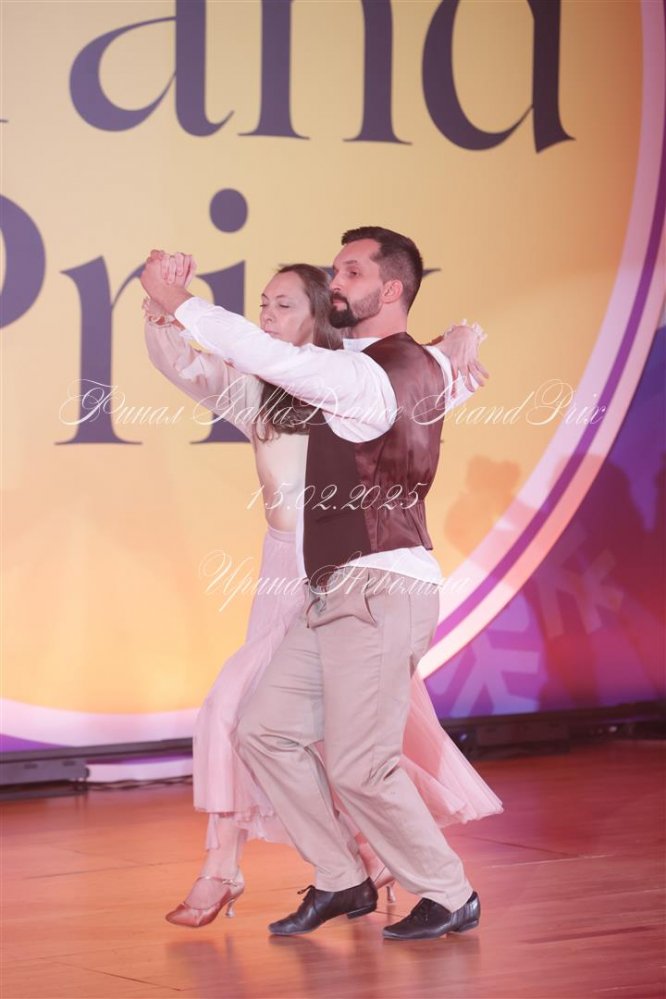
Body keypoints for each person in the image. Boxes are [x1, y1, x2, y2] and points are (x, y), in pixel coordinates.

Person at [141, 234, 498, 941]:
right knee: (265, 729)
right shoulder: (385, 365)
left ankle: (449, 892)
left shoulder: (356, 375)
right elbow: (425, 363)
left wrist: (177, 299)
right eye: (335, 270)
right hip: (331, 588)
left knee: (361, 763)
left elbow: (268, 355)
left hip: (376, 585)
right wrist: (457, 339)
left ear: (389, 289)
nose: (338, 280)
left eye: (351, 271)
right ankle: (341, 875)